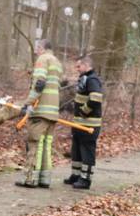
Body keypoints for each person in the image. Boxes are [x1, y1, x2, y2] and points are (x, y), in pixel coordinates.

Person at [16, 39, 63, 188]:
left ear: (42, 48)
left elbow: (39, 84)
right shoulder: (57, 62)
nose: (35, 51)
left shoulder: (42, 60)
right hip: (53, 111)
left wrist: (28, 103)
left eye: (37, 48)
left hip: (40, 110)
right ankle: (44, 179)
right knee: (46, 145)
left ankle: (30, 178)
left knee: (35, 143)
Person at [63, 55, 103, 190]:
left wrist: (84, 111)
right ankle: (76, 175)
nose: (77, 68)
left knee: (87, 152)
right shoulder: (84, 79)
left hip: (89, 125)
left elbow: (96, 98)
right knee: (76, 151)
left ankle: (85, 179)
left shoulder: (92, 80)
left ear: (86, 65)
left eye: (79, 66)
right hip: (79, 124)